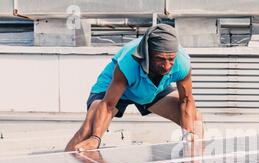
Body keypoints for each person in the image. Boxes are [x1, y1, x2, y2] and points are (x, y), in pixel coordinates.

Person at [65, 24, 203, 152]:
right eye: (160, 59)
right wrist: (95, 138)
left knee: (195, 121)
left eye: (171, 59)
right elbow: (107, 105)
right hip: (116, 88)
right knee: (89, 129)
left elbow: (186, 100)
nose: (167, 66)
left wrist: (188, 133)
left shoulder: (182, 63)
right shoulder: (128, 64)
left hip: (151, 90)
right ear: (148, 53)